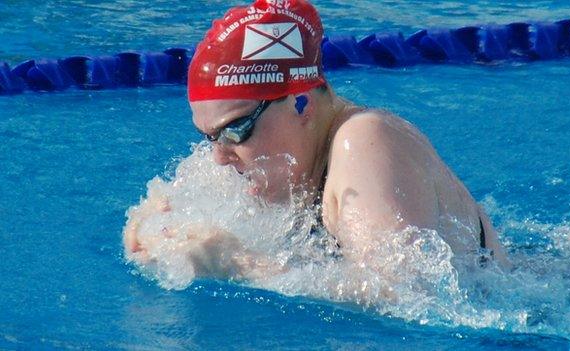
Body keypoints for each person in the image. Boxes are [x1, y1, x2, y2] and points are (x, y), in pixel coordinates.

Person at [123, 0, 510, 283]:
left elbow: (406, 293)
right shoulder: (267, 158)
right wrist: (155, 229)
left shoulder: (363, 141)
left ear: (302, 103)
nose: (220, 158)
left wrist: (239, 264)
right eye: (209, 138)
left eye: (235, 130)